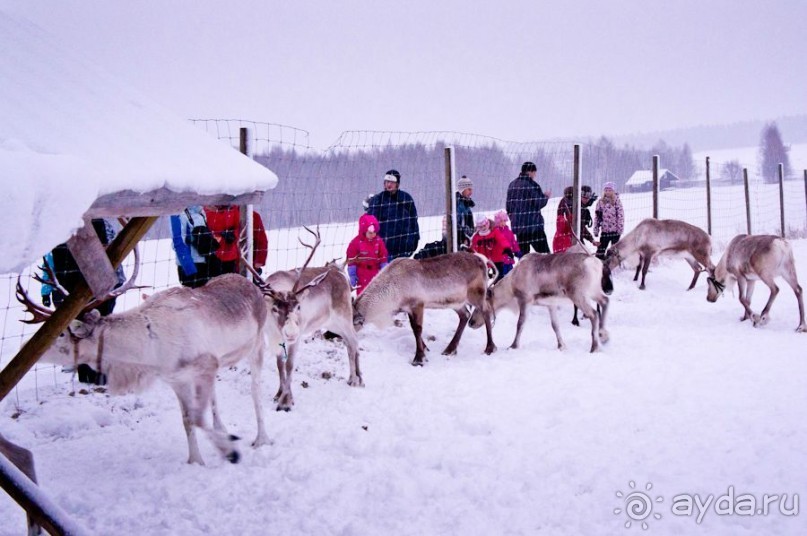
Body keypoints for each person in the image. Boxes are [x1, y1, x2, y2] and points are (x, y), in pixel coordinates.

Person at [41, 218, 124, 384]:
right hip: (85, 287)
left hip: (86, 287)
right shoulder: (96, 222)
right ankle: (92, 374)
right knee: (88, 331)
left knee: (87, 331)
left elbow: (115, 252)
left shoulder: (61, 225)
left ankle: (92, 374)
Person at [366, 169, 420, 261]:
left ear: (397, 184)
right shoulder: (377, 200)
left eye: (392, 182)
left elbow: (414, 221)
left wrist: (415, 240)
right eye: (387, 182)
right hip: (384, 252)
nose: (389, 184)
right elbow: (370, 225)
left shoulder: (406, 198)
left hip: (404, 250)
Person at [204, 206, 268, 275]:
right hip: (217, 262)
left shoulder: (251, 216)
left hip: (244, 264)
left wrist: (258, 263)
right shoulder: (208, 213)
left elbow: (261, 241)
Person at [506, 161, 552, 254]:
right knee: (545, 256)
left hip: (519, 228)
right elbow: (539, 202)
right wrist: (545, 196)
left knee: (524, 258)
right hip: (533, 227)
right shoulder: (531, 184)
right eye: (534, 172)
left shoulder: (512, 185)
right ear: (530, 172)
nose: (535, 175)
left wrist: (514, 219)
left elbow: (508, 207)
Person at [170, 205, 221, 288]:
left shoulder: (200, 212)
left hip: (204, 264)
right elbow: (177, 242)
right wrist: (189, 268)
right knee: (191, 294)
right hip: (189, 266)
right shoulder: (177, 213)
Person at [346, 214, 388, 295]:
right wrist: (352, 274)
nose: (373, 235)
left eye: (375, 232)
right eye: (370, 233)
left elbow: (383, 255)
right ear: (364, 231)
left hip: (376, 274)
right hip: (362, 275)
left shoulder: (378, 241)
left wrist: (384, 268)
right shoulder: (356, 243)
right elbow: (351, 259)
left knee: (377, 295)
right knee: (363, 295)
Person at [470, 215, 513, 282]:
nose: (483, 228)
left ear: (487, 223)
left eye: (484, 225)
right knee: (485, 277)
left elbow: (502, 240)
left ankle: (499, 285)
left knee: (499, 276)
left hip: (497, 259)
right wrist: (471, 254)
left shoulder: (494, 232)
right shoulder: (476, 236)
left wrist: (507, 248)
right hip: (484, 261)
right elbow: (473, 247)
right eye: (481, 227)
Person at [593, 182, 625, 260]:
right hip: (605, 231)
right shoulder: (600, 202)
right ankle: (599, 261)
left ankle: (612, 262)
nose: (607, 192)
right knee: (601, 249)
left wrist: (620, 228)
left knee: (614, 250)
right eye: (606, 190)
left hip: (615, 231)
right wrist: (596, 229)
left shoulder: (617, 201)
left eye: (610, 190)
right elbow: (597, 217)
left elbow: (620, 216)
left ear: (613, 191)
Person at [493, 210, 520, 278]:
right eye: (501, 221)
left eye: (504, 221)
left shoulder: (509, 232)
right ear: (497, 222)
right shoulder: (495, 233)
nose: (503, 223)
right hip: (500, 259)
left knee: (511, 275)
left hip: (509, 257)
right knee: (501, 275)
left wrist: (517, 251)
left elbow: (513, 242)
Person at [552, 186, 575, 253]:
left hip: (562, 242)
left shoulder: (563, 203)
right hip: (564, 243)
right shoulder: (564, 205)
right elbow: (562, 227)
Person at [455, 175, 475, 248]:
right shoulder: (456, 204)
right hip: (458, 240)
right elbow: (455, 224)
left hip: (466, 239)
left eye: (471, 189)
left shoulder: (466, 203)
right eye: (469, 189)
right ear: (462, 190)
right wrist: (464, 235)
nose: (471, 192)